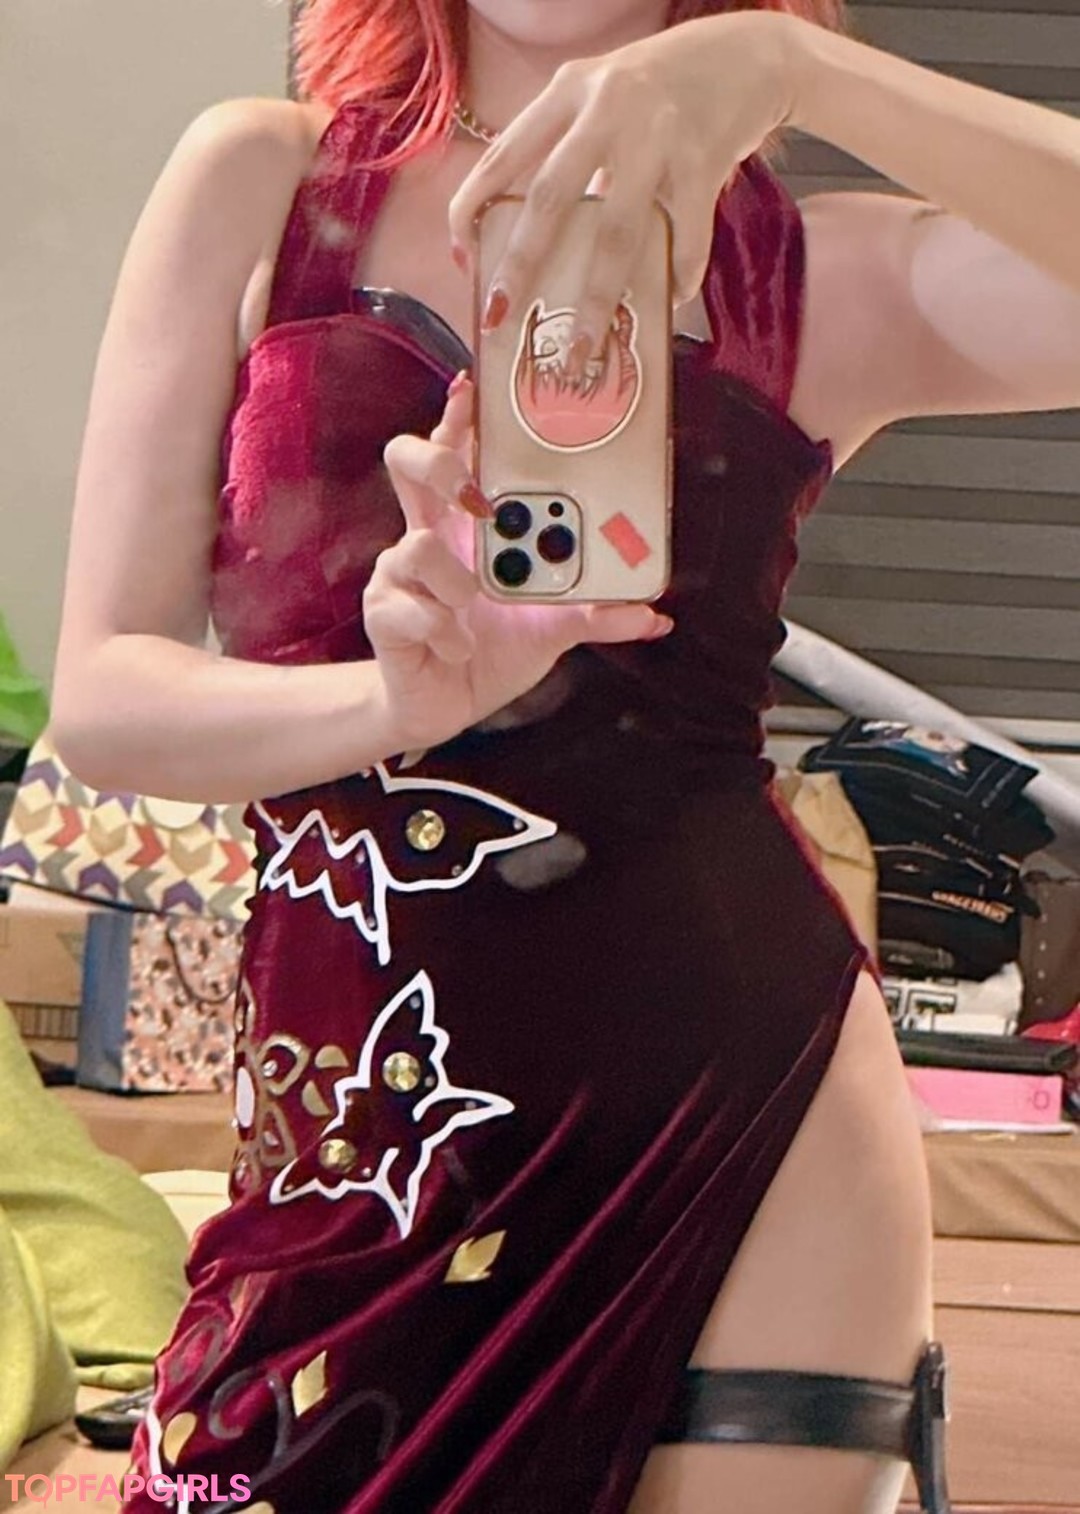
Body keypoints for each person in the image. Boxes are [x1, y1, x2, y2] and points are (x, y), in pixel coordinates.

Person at [50, 1, 1080, 1510]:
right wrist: (393, 706)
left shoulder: (805, 275)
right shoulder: (261, 184)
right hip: (362, 1135)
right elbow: (103, 694)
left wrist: (803, 70)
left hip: (740, 1110)